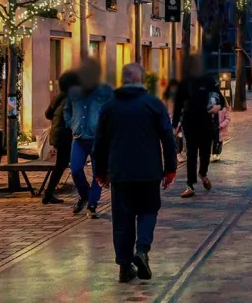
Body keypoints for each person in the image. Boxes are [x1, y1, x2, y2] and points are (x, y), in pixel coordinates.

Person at [93, 63, 177, 284]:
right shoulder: (154, 105)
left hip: (120, 172)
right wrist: (170, 169)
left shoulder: (109, 106)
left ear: (123, 80)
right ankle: (142, 249)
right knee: (149, 211)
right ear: (141, 80)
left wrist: (99, 171)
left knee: (122, 219)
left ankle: (124, 266)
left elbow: (99, 142)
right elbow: (168, 139)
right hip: (149, 172)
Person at [64, 57, 114, 218]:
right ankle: (85, 195)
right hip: (78, 137)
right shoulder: (74, 91)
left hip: (97, 138)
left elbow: (113, 110)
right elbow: (67, 110)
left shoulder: (105, 91)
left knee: (97, 172)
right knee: (75, 169)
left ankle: (92, 203)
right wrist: (71, 124)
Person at [173, 54, 224, 198]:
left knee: (205, 152)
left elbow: (221, 100)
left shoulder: (208, 81)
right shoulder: (185, 83)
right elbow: (178, 105)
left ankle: (203, 173)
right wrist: (174, 125)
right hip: (190, 123)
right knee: (191, 154)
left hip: (207, 123)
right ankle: (190, 185)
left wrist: (218, 107)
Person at [42, 70, 80, 205]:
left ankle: (49, 193)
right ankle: (84, 193)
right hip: (66, 134)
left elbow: (48, 114)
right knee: (71, 164)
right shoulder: (74, 97)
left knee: (62, 164)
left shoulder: (59, 97)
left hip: (58, 134)